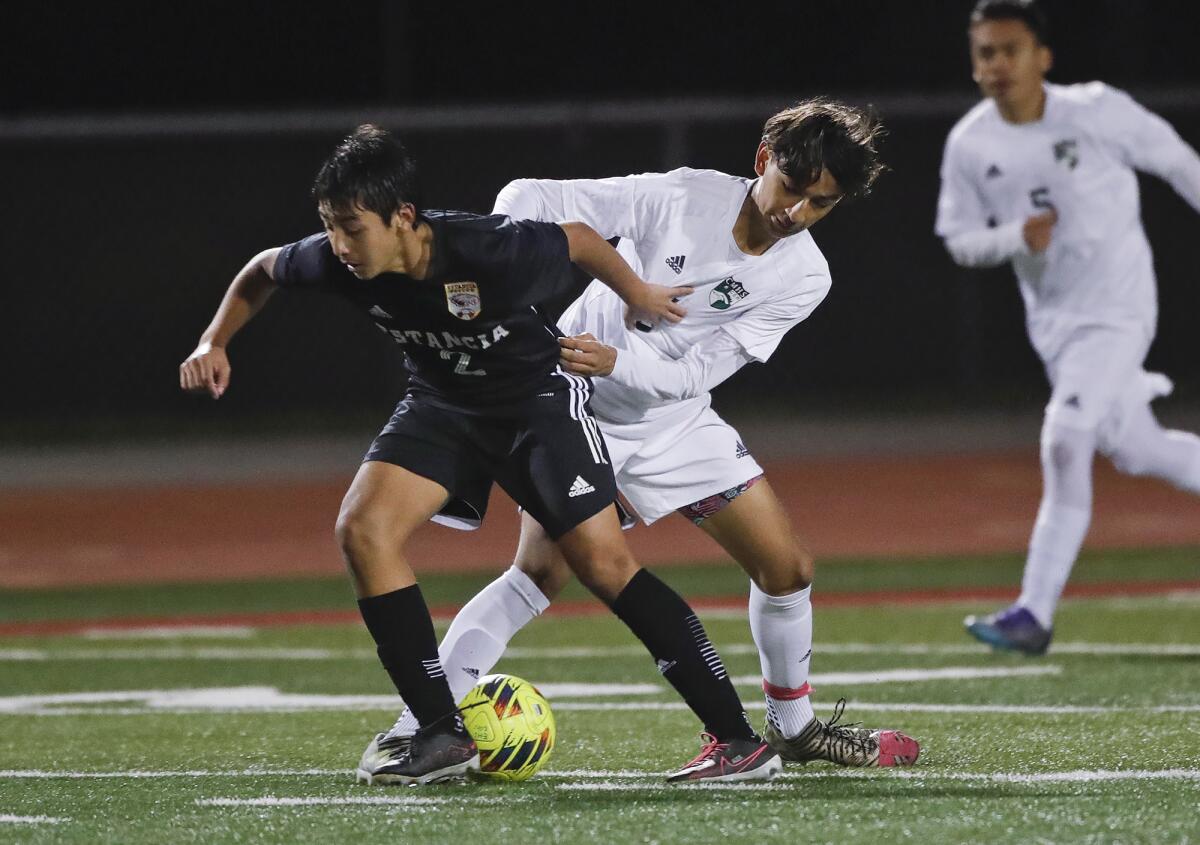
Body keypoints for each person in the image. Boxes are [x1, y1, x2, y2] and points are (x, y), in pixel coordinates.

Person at [179, 125, 783, 784]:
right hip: (442, 407)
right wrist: (215, 341)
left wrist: (637, 293)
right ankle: (440, 733)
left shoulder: (486, 247)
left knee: (604, 566)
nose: (339, 245)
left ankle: (738, 739)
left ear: (404, 217)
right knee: (362, 529)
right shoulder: (333, 259)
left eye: (352, 228)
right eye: (330, 227)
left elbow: (580, 239)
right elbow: (262, 269)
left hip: (534, 408)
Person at [383, 99, 921, 768]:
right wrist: (583, 273)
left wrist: (619, 359)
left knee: (787, 568)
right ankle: (419, 721)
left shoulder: (806, 276)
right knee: (536, 575)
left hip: (675, 416)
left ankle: (796, 728)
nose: (797, 212)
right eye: (791, 188)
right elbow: (526, 195)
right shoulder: (679, 196)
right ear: (762, 160)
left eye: (821, 203)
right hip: (578, 410)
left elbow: (699, 373)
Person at [936, 0, 1200, 654]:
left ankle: (1034, 610)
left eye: (1010, 50)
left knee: (1066, 436)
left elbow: (1178, 162)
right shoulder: (971, 142)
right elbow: (958, 239)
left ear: (1042, 57)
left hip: (1120, 307)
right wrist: (1012, 237)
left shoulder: (1096, 111)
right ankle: (1034, 609)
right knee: (1137, 447)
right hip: (1055, 324)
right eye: (986, 54)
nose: (998, 64)